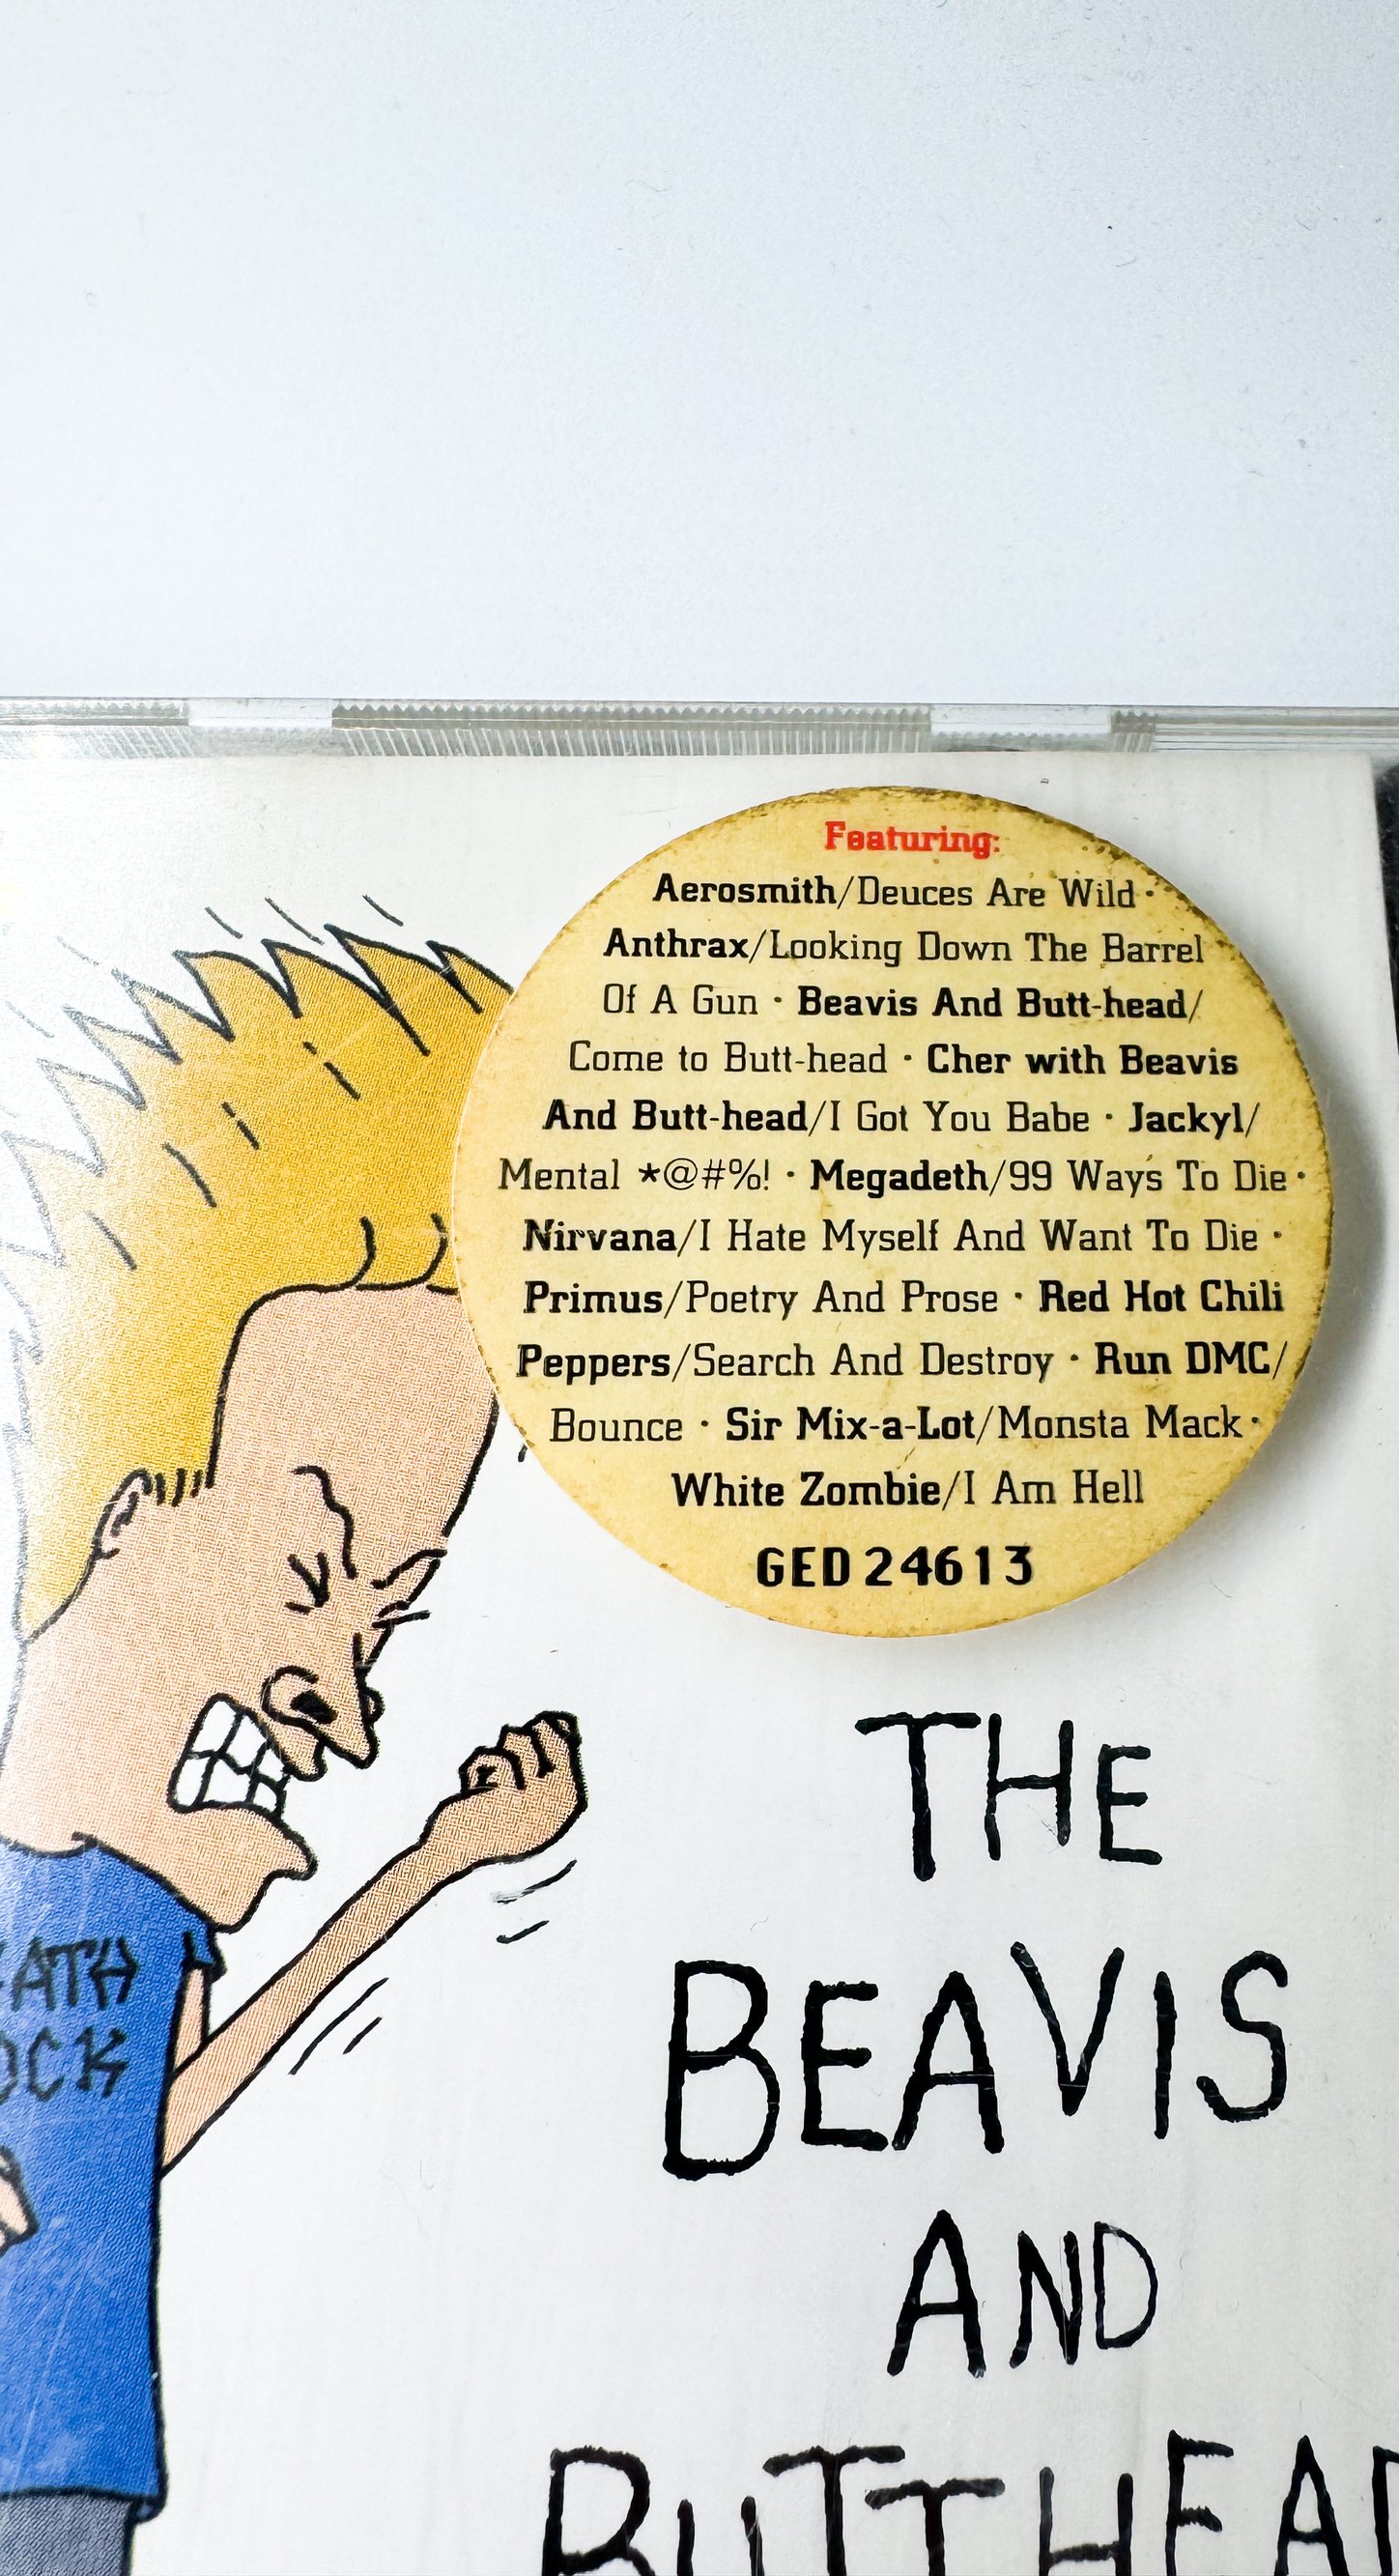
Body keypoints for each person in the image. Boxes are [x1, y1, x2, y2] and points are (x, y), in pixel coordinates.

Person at [0, 933, 585, 2575]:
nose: (345, 1701)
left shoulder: (149, 1905)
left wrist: (431, 1863)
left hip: (72, 2452)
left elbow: (157, 2124)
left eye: (384, 1619)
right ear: (131, 1503)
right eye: (310, 1573)